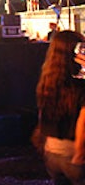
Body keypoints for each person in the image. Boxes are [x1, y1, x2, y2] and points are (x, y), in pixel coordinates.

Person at [36, 30, 85, 184]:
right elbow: (83, 123)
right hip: (74, 155)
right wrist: (80, 155)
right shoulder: (80, 85)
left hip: (52, 153)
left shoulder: (48, 81)